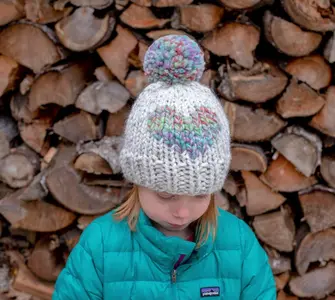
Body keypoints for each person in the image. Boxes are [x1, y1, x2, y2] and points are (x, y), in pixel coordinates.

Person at [52, 34, 276, 300]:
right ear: (139, 182)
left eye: (199, 195)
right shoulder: (100, 244)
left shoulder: (238, 243)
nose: (181, 212)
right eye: (166, 195)